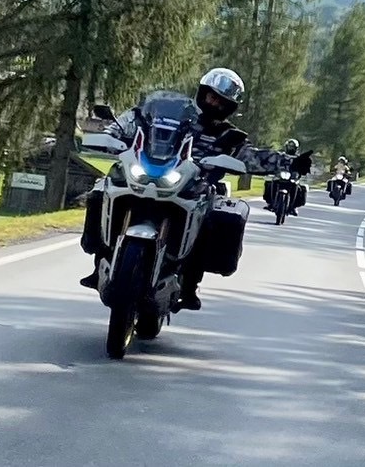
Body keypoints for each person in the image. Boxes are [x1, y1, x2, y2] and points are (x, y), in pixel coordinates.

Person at [79, 67, 247, 309]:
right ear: (203, 92)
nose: (215, 103)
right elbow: (128, 122)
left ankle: (189, 285)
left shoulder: (228, 134)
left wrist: (290, 163)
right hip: (150, 170)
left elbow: (252, 156)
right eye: (212, 96)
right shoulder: (168, 112)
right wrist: (111, 136)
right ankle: (99, 264)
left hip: (194, 184)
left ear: (229, 107)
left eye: (222, 102)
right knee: (100, 191)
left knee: (210, 215)